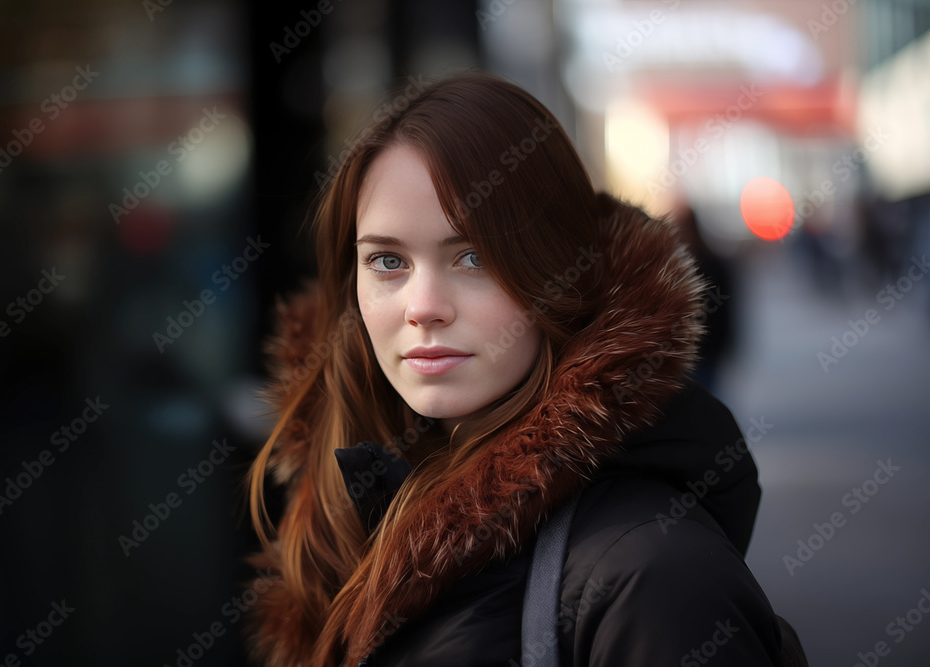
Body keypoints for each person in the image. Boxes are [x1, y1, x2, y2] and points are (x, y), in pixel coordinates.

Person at [244, 71, 806, 666]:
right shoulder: (348, 520)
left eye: (472, 256)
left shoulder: (653, 579)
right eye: (387, 261)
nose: (423, 307)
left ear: (557, 275)